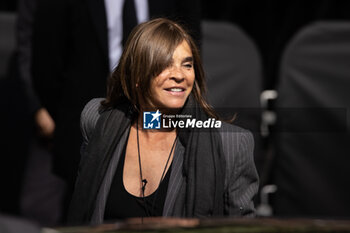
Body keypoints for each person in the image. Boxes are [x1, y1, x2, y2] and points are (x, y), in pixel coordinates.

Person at [68, 18, 259, 224]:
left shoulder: (232, 145)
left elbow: (243, 227)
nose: (179, 75)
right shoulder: (97, 121)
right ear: (137, 75)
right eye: (165, 65)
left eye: (187, 65)